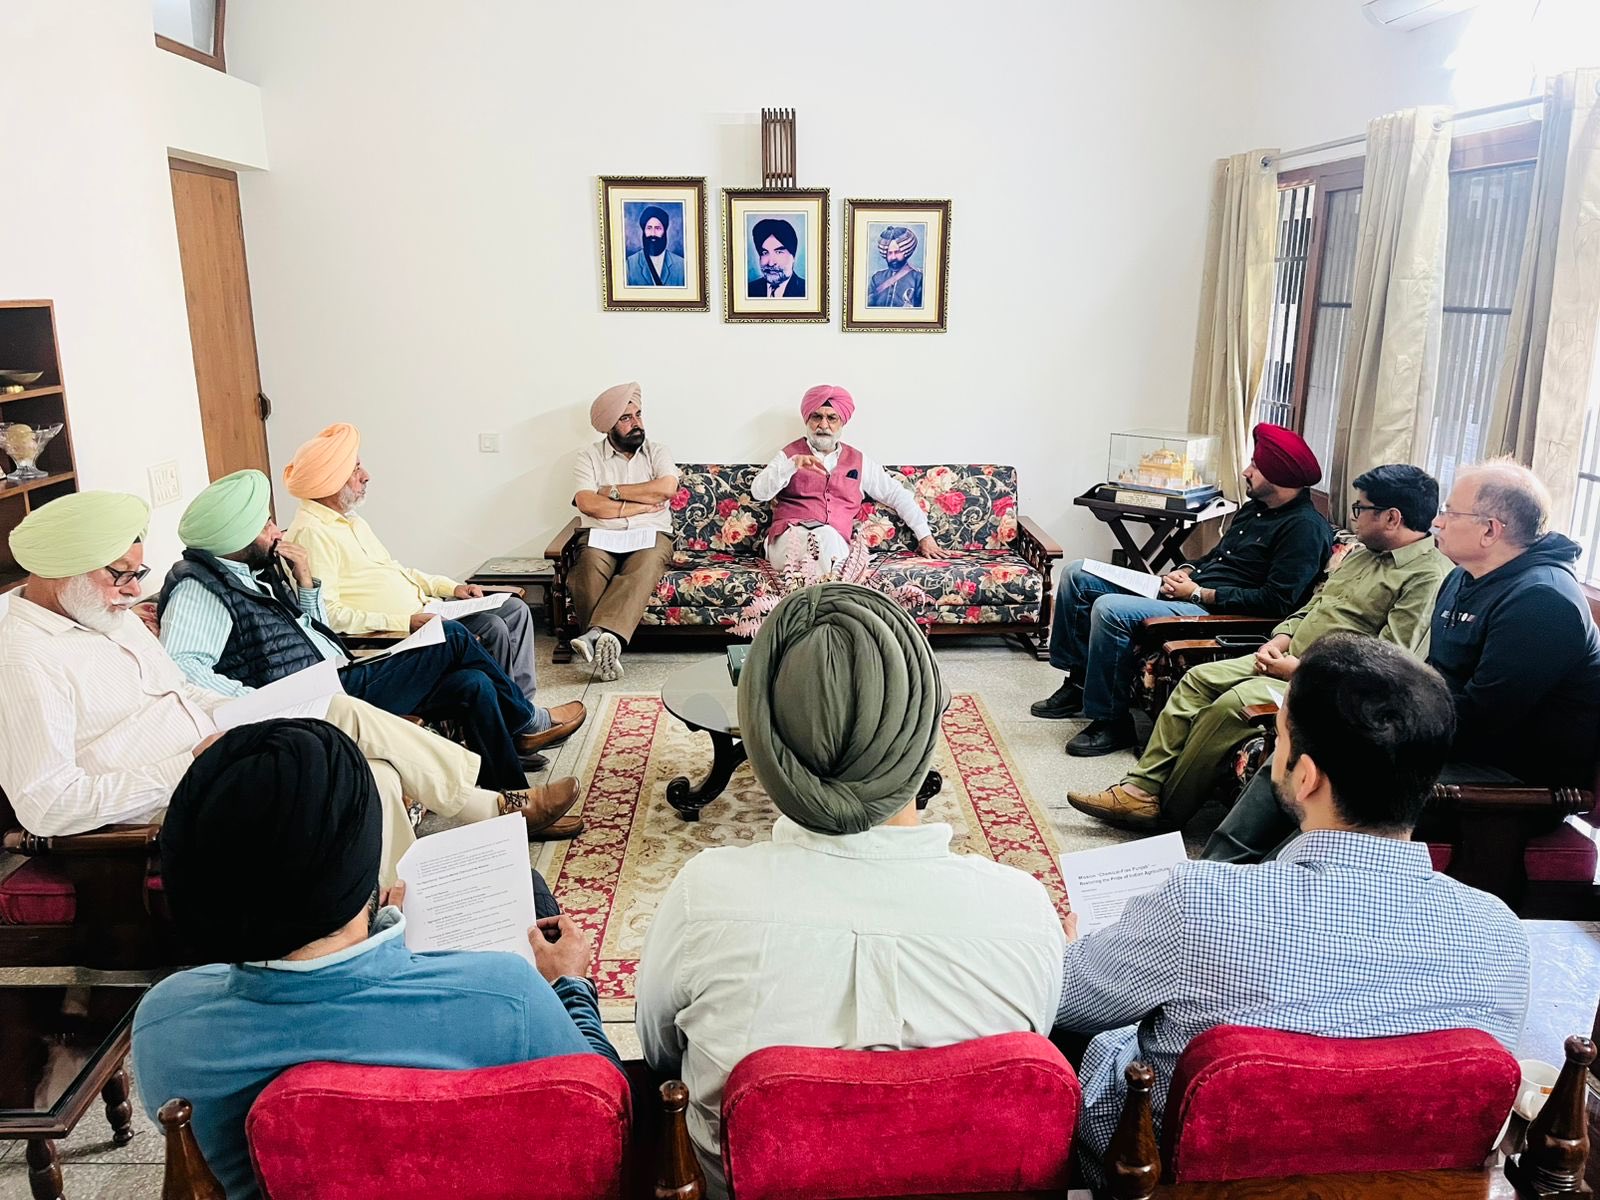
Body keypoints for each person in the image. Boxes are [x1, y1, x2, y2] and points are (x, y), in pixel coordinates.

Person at [637, 585, 1066, 1197]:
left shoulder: (702, 897)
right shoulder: (1024, 909)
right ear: (924, 728)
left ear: (764, 736)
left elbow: (660, 1058)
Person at [1055, 635, 1528, 1184]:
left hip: (1176, 1177)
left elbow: (1065, 998)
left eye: (1278, 738)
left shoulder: (1201, 903)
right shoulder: (1500, 931)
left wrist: (1068, 945)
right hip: (1397, 1183)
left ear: (1306, 776)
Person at [131, 719, 619, 1200]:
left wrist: (369, 920)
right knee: (534, 896)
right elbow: (607, 1108)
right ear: (362, 858)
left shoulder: (164, 1023)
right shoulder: (507, 992)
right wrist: (569, 984)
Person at [0, 492, 571, 867]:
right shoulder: (26, 659)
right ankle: (489, 811)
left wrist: (259, 709)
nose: (133, 591)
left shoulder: (104, 614)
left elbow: (181, 686)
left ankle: (396, 899)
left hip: (217, 742)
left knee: (358, 748)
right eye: (120, 576)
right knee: (359, 746)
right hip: (178, 792)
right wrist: (189, 762)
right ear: (57, 574)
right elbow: (46, 806)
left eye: (138, 573)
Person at [1205, 457, 1600, 863]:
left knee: (1339, 785)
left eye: (1450, 512)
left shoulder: (1543, 602)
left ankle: (1273, 890)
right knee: (1304, 749)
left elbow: (1483, 724)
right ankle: (1215, 874)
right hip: (1444, 745)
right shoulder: (1463, 577)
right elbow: (1432, 682)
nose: (1439, 522)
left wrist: (1373, 736)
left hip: (1509, 780)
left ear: (1490, 530)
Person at [157, 470, 583, 840]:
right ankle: (524, 722)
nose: (277, 530)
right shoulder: (200, 589)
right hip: (317, 698)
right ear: (237, 534)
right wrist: (258, 698)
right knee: (451, 637)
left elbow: (314, 630)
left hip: (339, 672)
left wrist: (305, 583)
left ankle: (513, 806)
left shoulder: (252, 573)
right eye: (267, 524)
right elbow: (184, 669)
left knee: (470, 684)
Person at [1067, 465, 1450, 831]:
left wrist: (1298, 670)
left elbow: (1387, 665)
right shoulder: (1363, 554)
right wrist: (1280, 640)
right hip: (1286, 656)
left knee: (1230, 707)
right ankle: (1141, 788)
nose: (1354, 519)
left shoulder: (1426, 576)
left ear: (1392, 517)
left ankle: (1166, 811)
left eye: (1361, 509)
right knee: (1197, 679)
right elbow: (1312, 607)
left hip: (1329, 686)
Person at [1034, 423, 1333, 758]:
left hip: (1215, 612)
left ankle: (1111, 721)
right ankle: (1078, 683)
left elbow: (1277, 602)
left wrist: (1197, 594)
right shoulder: (1257, 507)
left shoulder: (1304, 529)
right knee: (1077, 574)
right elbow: (1218, 557)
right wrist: (1187, 570)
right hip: (1192, 591)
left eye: (1256, 467)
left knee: (1109, 608)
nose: (1247, 472)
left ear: (1278, 477)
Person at [280, 422, 570, 729]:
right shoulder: (313, 533)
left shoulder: (350, 521)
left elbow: (397, 571)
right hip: (398, 634)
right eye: (355, 469)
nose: (366, 476)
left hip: (428, 610)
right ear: (329, 481)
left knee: (514, 608)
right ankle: (519, 724)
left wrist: (453, 586)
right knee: (494, 626)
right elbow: (330, 616)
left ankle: (521, 715)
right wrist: (403, 622)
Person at [749, 384, 942, 574]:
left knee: (828, 540)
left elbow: (896, 494)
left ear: (842, 423)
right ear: (807, 420)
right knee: (826, 541)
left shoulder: (858, 461)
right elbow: (759, 493)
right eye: (817, 417)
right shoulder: (790, 455)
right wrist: (791, 466)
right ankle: (840, 593)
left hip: (833, 544)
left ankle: (822, 595)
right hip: (789, 540)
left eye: (831, 418)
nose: (823, 425)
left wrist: (925, 536)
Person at [568, 381, 679, 679]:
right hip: (602, 535)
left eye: (638, 415)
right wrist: (640, 505)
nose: (637, 424)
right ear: (608, 427)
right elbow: (588, 503)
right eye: (626, 418)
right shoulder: (588, 457)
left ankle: (596, 637)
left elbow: (666, 488)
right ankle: (607, 647)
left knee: (643, 566)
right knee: (589, 565)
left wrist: (613, 491)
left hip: (650, 536)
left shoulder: (657, 452)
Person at [624, 204, 686, 287]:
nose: (653, 234)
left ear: (665, 231)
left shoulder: (681, 265)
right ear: (643, 231)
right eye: (649, 228)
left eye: (657, 228)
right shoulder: (630, 264)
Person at [746, 217, 806, 298]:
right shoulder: (749, 290)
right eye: (765, 253)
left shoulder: (807, 291)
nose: (771, 263)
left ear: (793, 257)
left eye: (779, 252)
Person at [865, 225, 924, 308]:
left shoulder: (918, 278)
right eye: (889, 253)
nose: (893, 257)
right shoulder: (877, 278)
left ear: (906, 251)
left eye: (897, 252)